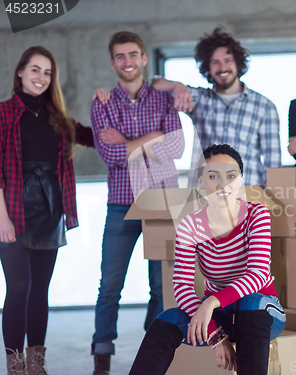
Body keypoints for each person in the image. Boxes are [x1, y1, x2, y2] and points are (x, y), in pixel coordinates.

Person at [128, 144, 286, 375]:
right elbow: (182, 285)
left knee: (251, 302)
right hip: (221, 317)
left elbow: (258, 274)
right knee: (167, 318)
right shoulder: (190, 225)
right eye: (213, 176)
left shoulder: (257, 215)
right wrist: (215, 335)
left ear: (240, 180)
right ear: (201, 181)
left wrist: (211, 302)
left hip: (262, 312)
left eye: (231, 176)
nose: (223, 184)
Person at [0, 46, 104, 375]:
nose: (41, 78)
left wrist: (105, 108)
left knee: (40, 290)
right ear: (20, 72)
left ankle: (36, 365)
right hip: (13, 208)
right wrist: (1, 218)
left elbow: (93, 137)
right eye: (35, 70)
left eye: (47, 73)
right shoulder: (2, 114)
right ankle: (15, 365)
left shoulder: (56, 117)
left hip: (49, 209)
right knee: (18, 287)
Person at [90, 31, 184, 375]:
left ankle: (155, 352)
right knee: (110, 286)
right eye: (120, 56)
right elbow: (111, 155)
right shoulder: (102, 103)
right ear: (112, 62)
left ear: (144, 58)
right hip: (121, 203)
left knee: (162, 284)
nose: (127, 62)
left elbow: (175, 148)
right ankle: (102, 358)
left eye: (133, 55)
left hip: (162, 201)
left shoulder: (164, 99)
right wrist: (152, 138)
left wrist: (131, 142)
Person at [150, 26, 281, 187]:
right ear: (208, 68)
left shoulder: (264, 106)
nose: (222, 68)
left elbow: (273, 166)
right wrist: (177, 86)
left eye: (228, 61)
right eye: (215, 62)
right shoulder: (198, 100)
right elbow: (153, 85)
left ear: (238, 63)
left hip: (247, 195)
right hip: (205, 194)